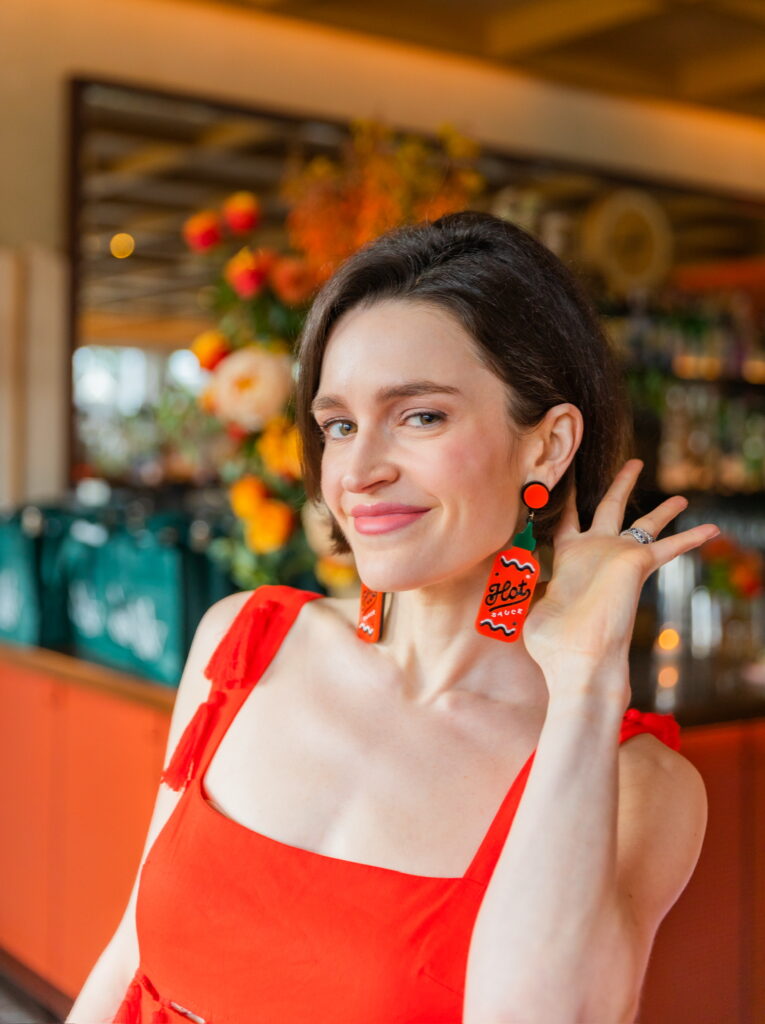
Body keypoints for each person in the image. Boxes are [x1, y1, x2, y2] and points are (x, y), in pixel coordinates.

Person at [67, 211, 712, 1024]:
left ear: (546, 448)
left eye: (419, 416)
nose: (359, 471)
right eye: (339, 425)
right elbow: (132, 948)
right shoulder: (244, 641)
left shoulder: (632, 784)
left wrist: (582, 680)